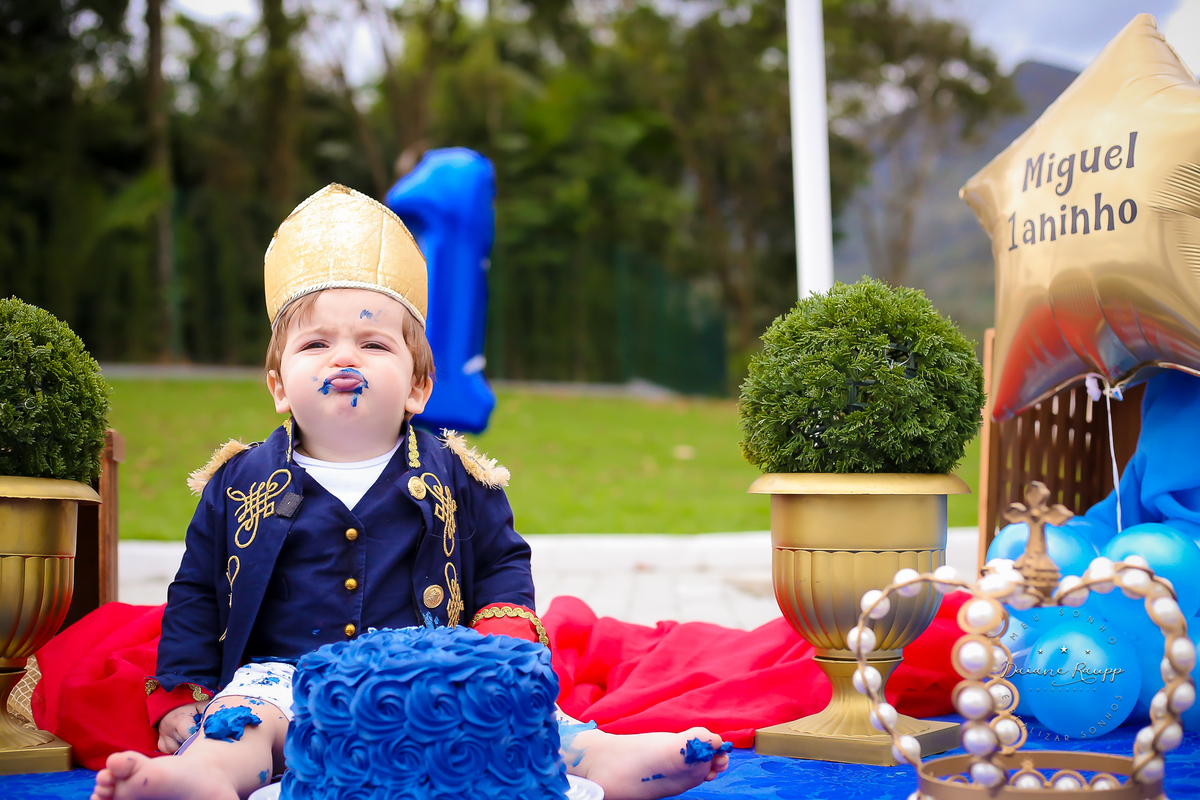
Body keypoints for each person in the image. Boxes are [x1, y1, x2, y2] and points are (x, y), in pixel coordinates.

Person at [91, 185, 728, 800]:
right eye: (316, 344)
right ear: (279, 385)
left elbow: (502, 561)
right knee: (240, 727)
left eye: (373, 343)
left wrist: (501, 638)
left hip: (432, 676)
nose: (344, 359)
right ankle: (203, 779)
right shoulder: (238, 482)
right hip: (285, 681)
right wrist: (181, 691)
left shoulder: (456, 473)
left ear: (418, 385)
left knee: (526, 722)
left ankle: (611, 760)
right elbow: (198, 590)